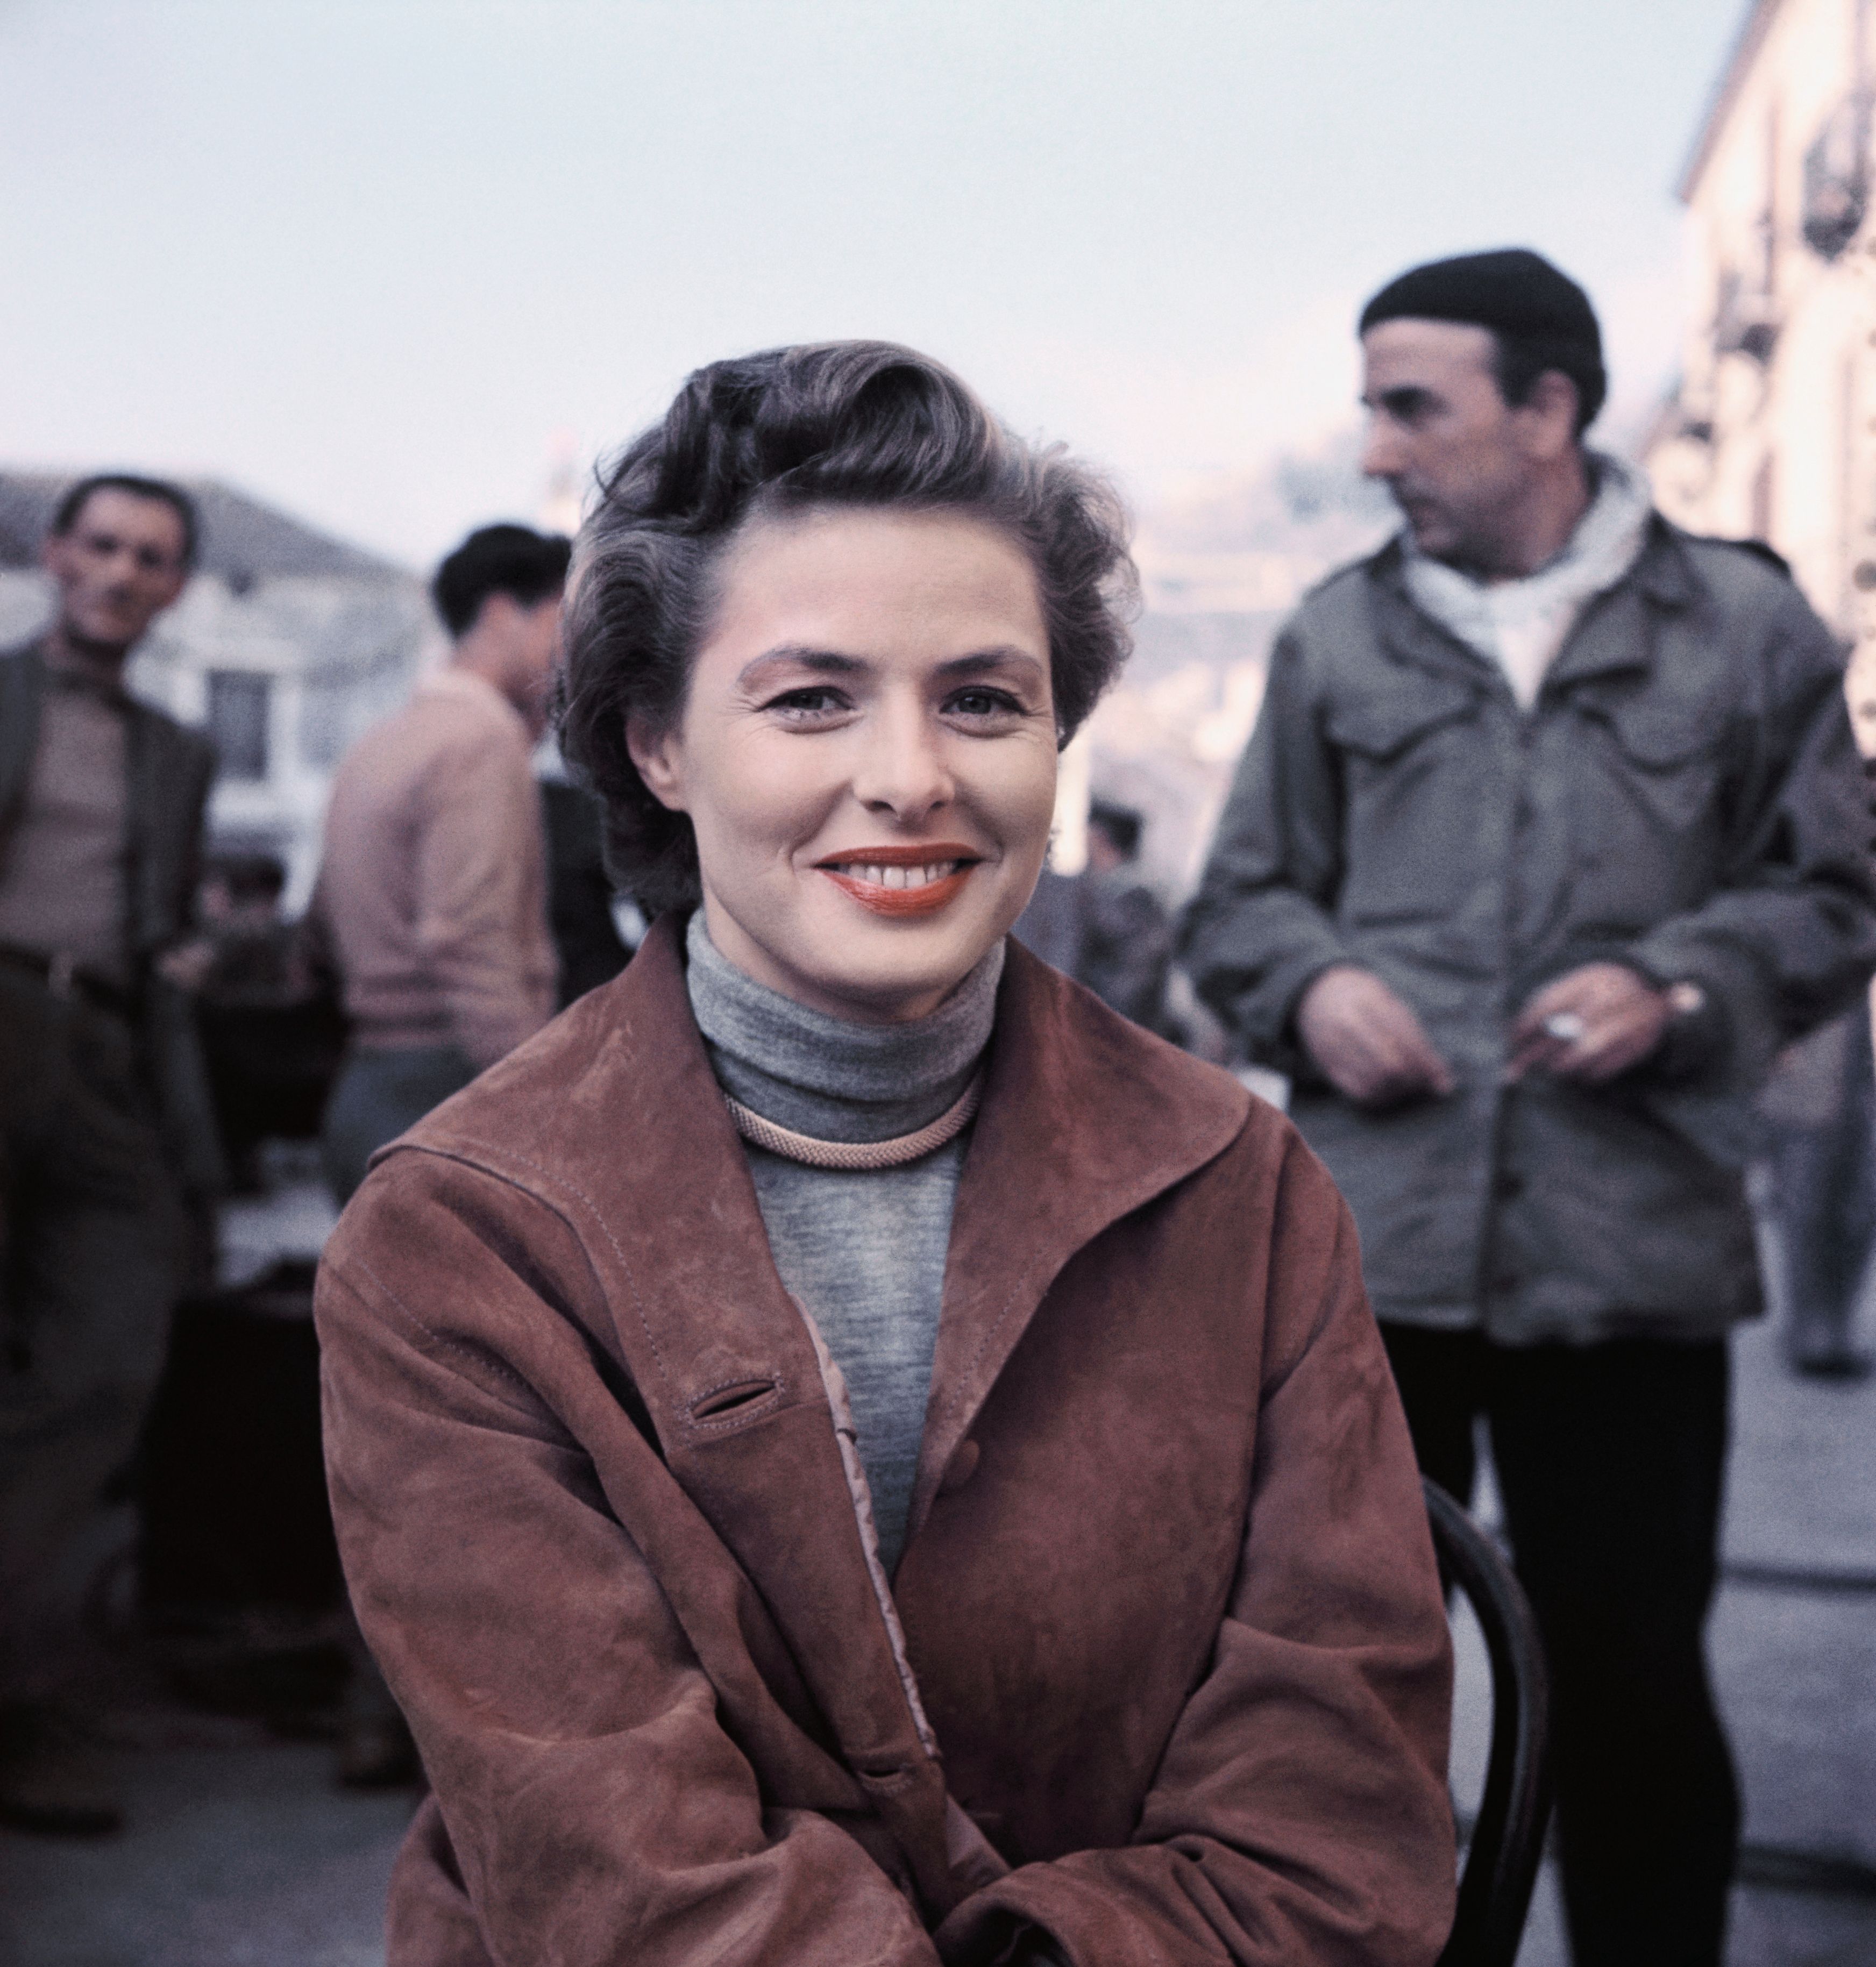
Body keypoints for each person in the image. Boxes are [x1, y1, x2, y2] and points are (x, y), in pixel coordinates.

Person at [314, 343, 1456, 1966]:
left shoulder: (1239, 1187)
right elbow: (627, 1880)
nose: (912, 776)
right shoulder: (460, 1238)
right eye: (807, 698)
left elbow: (1333, 1824)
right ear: (654, 745)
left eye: (983, 698)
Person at [1181, 249, 1876, 1967]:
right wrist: (1310, 983)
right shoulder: (1333, 632)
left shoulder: (1744, 627)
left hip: (1627, 1260)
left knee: (1631, 1683)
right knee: (1339, 1699)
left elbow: (1836, 892)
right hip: (1365, 1270)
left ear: (1547, 408)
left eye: (1409, 406)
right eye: (1367, 406)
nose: (1370, 450)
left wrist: (1684, 982)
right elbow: (1238, 903)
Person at [0, 473, 222, 1834]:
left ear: (175, 587)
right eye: (105, 546)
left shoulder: (177, 752)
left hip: (103, 1051)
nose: (124, 573)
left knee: (108, 1352)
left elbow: (160, 935)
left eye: (152, 557)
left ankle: (18, 1686)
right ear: (54, 554)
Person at [308, 522, 569, 1205]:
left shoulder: (383, 740)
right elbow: (466, 936)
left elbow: (317, 924)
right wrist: (541, 1097)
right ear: (501, 613)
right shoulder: (480, 742)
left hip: (367, 1078)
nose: (573, 651)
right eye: (563, 620)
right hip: (446, 1085)